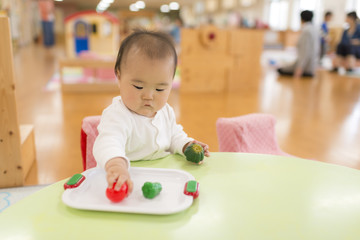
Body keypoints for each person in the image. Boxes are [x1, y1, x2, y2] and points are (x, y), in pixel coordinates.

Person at [93, 30, 210, 193]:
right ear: (119, 76)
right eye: (138, 87)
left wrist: (187, 145)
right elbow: (108, 142)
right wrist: (116, 165)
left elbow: (174, 135)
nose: (148, 96)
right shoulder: (117, 115)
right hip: (127, 180)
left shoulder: (165, 111)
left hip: (162, 178)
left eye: (160, 88)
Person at [277, 10, 319, 78]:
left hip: (306, 68)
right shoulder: (314, 29)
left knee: (280, 70)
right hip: (312, 65)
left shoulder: (306, 31)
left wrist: (299, 69)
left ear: (302, 19)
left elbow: (305, 51)